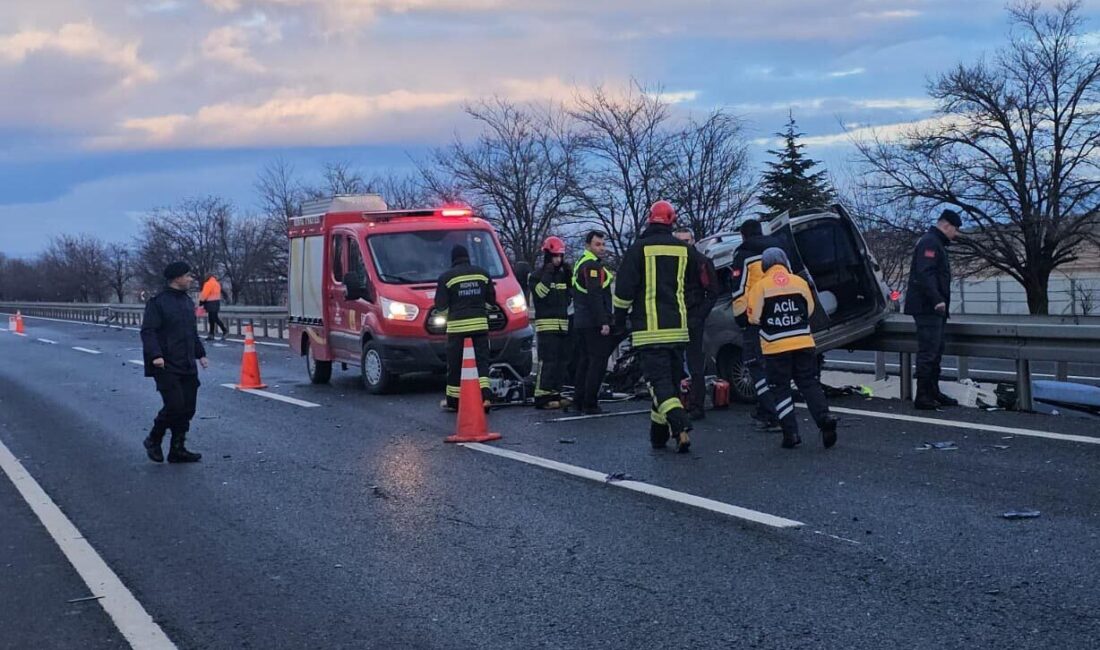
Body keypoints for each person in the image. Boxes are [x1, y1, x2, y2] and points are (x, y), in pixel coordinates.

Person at [614, 201, 701, 452]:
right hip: (679, 329)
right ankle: (658, 436)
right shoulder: (684, 250)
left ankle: (680, 423)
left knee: (658, 384)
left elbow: (623, 292)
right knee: (670, 385)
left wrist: (619, 320)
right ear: (671, 221)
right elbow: (697, 282)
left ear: (650, 219)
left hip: (649, 330)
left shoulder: (638, 249)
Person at [747, 248, 838, 449]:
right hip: (803, 342)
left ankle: (791, 433)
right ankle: (824, 418)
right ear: (784, 262)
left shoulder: (760, 287)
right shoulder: (800, 282)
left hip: (775, 346)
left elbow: (753, 318)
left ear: (765, 265)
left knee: (780, 389)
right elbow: (811, 309)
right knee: (809, 383)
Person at [140, 262, 208, 463]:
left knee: (188, 408)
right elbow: (148, 331)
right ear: (176, 278)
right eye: (187, 275)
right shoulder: (158, 303)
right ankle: (154, 438)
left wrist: (200, 354)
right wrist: (155, 356)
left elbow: (191, 332)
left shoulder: (187, 302)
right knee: (175, 406)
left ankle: (177, 448)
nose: (190, 279)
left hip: (187, 363)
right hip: (166, 364)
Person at [904, 209, 962, 410]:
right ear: (946, 226)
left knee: (936, 350)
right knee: (929, 351)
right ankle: (923, 395)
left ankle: (933, 391)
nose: (955, 235)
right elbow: (925, 273)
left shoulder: (935, 242)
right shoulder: (930, 242)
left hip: (933, 308)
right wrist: (937, 299)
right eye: (955, 230)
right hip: (927, 307)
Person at [730, 219, 784, 430]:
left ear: (743, 235)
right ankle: (767, 409)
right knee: (775, 366)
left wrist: (740, 317)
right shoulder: (778, 250)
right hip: (780, 315)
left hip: (756, 317)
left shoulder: (743, 254)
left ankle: (771, 414)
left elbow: (739, 288)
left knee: (755, 365)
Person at [435, 244, 495, 411]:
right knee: (482, 362)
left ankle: (454, 401)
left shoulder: (446, 277)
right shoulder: (483, 274)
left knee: (455, 364)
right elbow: (492, 301)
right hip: (480, 326)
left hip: (457, 328)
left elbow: (440, 306)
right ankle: (486, 397)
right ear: (468, 257)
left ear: (453, 259)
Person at [672, 227, 719, 420]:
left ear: (693, 241)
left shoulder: (701, 262)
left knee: (694, 363)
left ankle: (696, 404)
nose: (684, 244)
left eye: (687, 240)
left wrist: (699, 315)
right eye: (680, 241)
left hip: (691, 317)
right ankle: (679, 403)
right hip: (676, 317)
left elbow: (713, 291)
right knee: (676, 362)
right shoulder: (673, 263)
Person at [571, 231, 615, 415]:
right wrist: (603, 321)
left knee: (585, 361)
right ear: (588, 245)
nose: (602, 248)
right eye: (598, 244)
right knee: (597, 362)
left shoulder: (582, 263)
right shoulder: (591, 266)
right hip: (592, 322)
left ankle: (579, 400)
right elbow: (595, 295)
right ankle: (590, 402)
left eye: (603, 244)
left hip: (582, 320)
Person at [531, 236, 572, 410]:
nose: (558, 260)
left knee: (561, 362)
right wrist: (548, 274)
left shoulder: (562, 275)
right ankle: (541, 396)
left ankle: (555, 392)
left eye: (561, 257)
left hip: (562, 325)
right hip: (546, 325)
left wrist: (569, 278)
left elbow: (568, 298)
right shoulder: (537, 276)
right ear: (548, 255)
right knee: (547, 361)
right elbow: (540, 294)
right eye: (555, 256)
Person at [199, 273, 229, 342]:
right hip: (216, 302)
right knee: (212, 318)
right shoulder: (217, 283)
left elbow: (205, 294)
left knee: (213, 318)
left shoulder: (208, 284)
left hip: (210, 303)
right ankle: (211, 334)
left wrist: (201, 302)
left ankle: (224, 330)